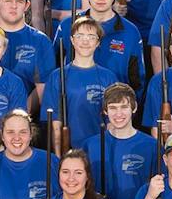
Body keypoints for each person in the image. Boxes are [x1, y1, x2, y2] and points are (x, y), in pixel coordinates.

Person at [51, 0, 146, 93]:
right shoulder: (68, 25)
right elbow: (54, 66)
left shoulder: (130, 31)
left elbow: (138, 80)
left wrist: (129, 108)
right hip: (74, 102)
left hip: (116, 106)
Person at [42, 16, 117, 150]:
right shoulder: (57, 77)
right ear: (72, 40)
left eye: (91, 36)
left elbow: (113, 122)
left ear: (98, 42)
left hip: (99, 150)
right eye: (80, 35)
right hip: (70, 151)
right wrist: (60, 158)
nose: (85, 41)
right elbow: (55, 125)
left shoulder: (109, 78)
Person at [0, 0, 56, 97]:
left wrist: (21, 112)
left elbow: (43, 89)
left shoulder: (41, 41)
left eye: (19, 1)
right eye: (8, 0)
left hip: (26, 113)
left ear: (27, 5)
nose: (14, 6)